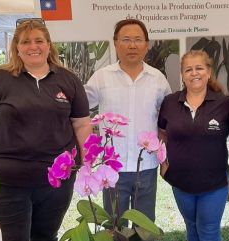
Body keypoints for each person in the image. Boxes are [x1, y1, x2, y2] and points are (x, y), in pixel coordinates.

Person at [0, 18, 92, 241]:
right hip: (7, 182)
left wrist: (88, 165)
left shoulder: (69, 80)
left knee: (46, 236)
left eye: (39, 40)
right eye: (25, 41)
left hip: (57, 183)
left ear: (49, 45)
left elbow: (82, 124)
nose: (33, 46)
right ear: (16, 47)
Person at [85, 19, 171, 221]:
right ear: (115, 43)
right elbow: (80, 110)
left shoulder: (158, 79)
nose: (132, 45)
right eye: (126, 39)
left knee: (144, 226)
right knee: (115, 225)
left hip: (146, 166)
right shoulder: (101, 77)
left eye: (138, 40)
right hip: (113, 167)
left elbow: (168, 119)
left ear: (147, 45)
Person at [158, 50, 229, 241]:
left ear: (208, 72)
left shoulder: (224, 104)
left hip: (214, 182)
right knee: (191, 228)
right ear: (182, 75)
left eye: (199, 68)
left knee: (208, 230)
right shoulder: (170, 102)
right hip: (180, 181)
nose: (194, 73)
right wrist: (163, 161)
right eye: (188, 69)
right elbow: (162, 133)